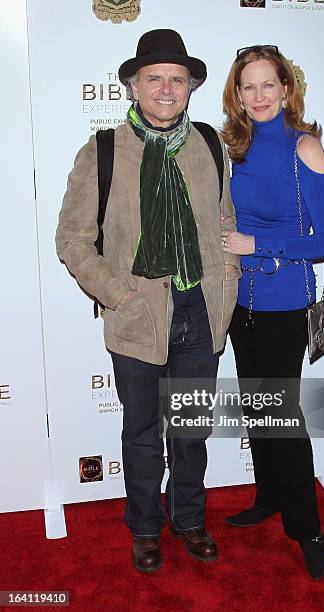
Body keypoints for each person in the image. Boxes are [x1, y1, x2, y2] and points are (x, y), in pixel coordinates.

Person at [56, 29, 239, 573]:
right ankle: (144, 529)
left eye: (177, 79)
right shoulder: (104, 150)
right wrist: (121, 295)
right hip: (138, 313)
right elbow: (73, 240)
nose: (166, 88)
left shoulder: (209, 144)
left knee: (190, 431)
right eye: (154, 78)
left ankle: (189, 521)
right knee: (140, 433)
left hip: (200, 313)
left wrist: (227, 280)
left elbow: (224, 221)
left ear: (190, 88)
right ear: (134, 86)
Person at [221, 45, 324, 579]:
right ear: (237, 95)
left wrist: (257, 244)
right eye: (248, 87)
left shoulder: (306, 148)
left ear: (287, 90)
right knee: (259, 411)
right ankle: (268, 496)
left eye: (268, 84)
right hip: (238, 304)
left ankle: (309, 529)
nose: (259, 96)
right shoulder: (237, 148)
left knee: (283, 418)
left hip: (283, 303)